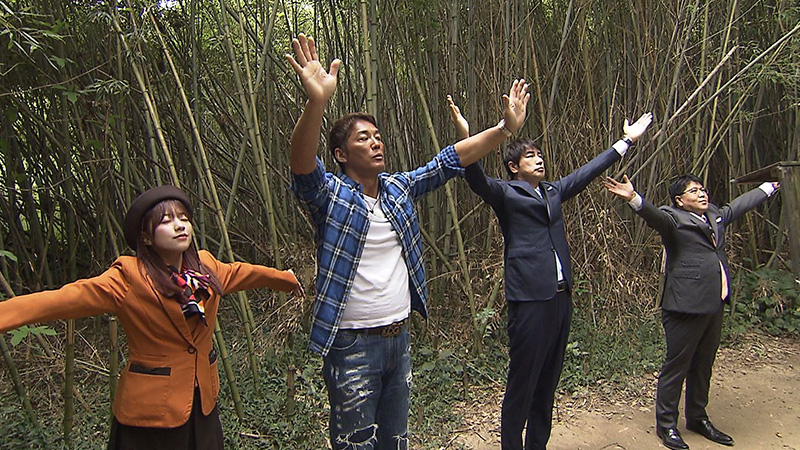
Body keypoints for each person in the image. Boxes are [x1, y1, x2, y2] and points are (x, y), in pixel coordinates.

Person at [285, 33, 529, 449]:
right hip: (351, 342)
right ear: (341, 155)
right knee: (355, 444)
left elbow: (449, 160)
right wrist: (317, 102)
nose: (376, 141)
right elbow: (301, 165)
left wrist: (505, 128)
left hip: (398, 338)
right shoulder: (331, 196)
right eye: (363, 138)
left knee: (395, 440)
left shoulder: (398, 189)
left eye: (377, 136)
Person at [0, 185, 304, 450]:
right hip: (151, 410)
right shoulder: (128, 277)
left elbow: (245, 273)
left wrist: (285, 279)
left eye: (184, 218)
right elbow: (63, 300)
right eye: (167, 220)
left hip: (202, 402)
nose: (179, 226)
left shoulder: (205, 268)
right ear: (145, 237)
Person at [448, 96, 652, 450]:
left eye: (540, 154)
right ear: (513, 167)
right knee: (522, 382)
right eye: (530, 155)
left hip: (560, 298)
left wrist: (627, 140)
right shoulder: (505, 193)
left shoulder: (554, 192)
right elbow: (474, 176)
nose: (539, 158)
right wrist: (466, 136)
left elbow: (590, 170)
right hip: (529, 299)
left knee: (547, 382)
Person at [603, 174, 779, 450]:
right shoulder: (673, 218)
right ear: (679, 200)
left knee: (703, 365)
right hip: (685, 304)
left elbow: (740, 205)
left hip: (714, 302)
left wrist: (768, 187)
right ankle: (667, 425)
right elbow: (654, 218)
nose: (701, 194)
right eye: (693, 191)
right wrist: (634, 199)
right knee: (677, 366)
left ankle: (697, 417)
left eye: (702, 189)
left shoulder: (714, 215)